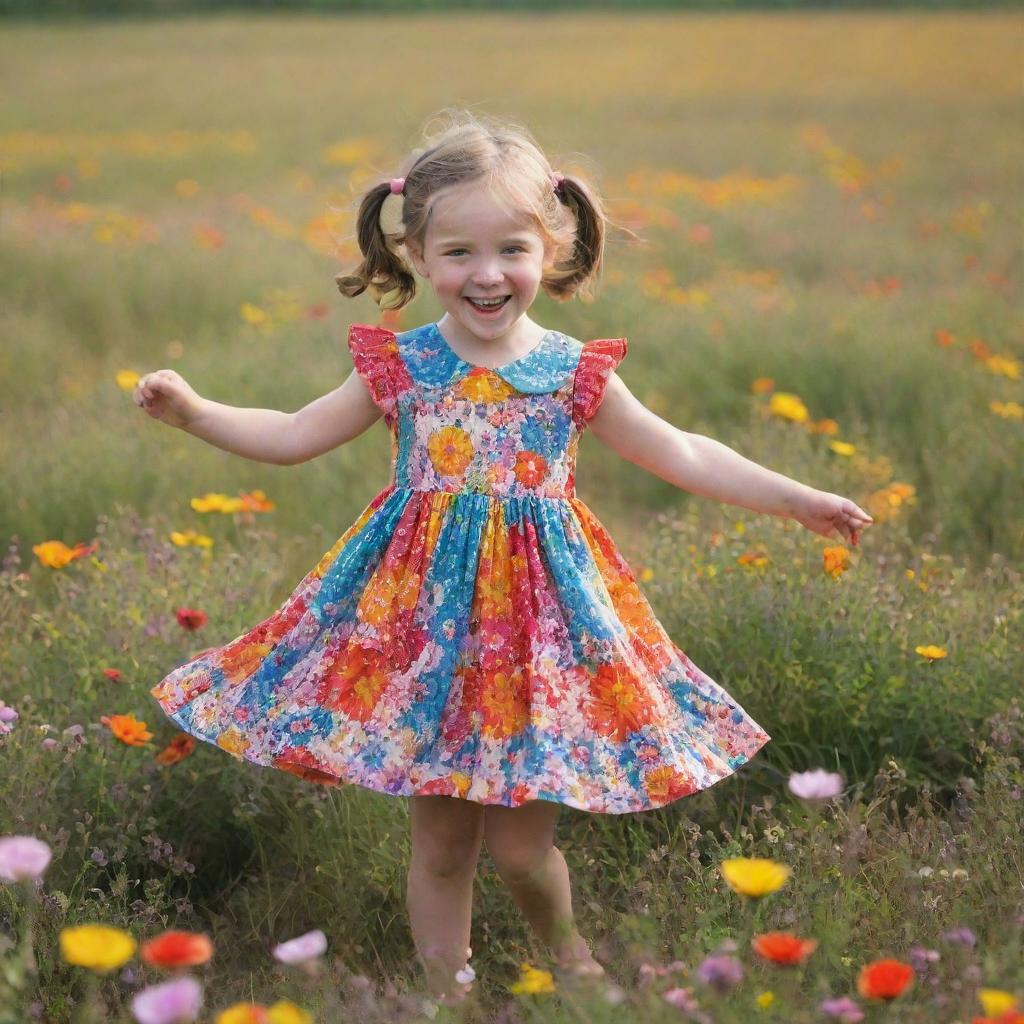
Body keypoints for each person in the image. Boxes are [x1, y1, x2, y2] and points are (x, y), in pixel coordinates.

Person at [136, 109, 873, 1006]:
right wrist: (197, 412)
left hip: (540, 640)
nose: (487, 276)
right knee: (442, 847)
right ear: (416, 253)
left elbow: (680, 451)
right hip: (426, 639)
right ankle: (447, 995)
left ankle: (570, 960)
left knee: (525, 850)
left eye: (511, 250)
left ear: (550, 248)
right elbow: (294, 435)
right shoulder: (398, 368)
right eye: (458, 255)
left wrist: (800, 499)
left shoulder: (573, 371)